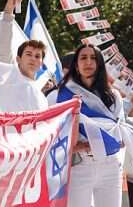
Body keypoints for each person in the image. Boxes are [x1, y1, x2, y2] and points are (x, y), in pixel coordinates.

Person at [46, 45, 127, 207]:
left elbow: (122, 134)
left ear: (99, 64)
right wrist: (78, 146)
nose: (88, 62)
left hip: (110, 166)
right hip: (77, 167)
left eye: (93, 58)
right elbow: (49, 138)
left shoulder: (114, 97)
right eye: (83, 58)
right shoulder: (57, 96)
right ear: (76, 65)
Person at [0, 0, 49, 112]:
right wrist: (8, 10)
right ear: (18, 59)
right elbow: (4, 42)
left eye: (37, 56)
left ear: (42, 63)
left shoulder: (42, 98)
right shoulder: (8, 74)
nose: (33, 58)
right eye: (28, 54)